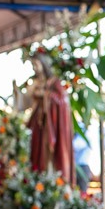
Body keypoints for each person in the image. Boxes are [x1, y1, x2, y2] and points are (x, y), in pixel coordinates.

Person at [27, 52, 74, 184]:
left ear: (43, 64)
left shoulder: (54, 82)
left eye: (36, 64)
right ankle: (40, 183)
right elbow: (28, 103)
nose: (34, 68)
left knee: (49, 156)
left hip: (51, 126)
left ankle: (52, 182)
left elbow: (62, 101)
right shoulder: (36, 82)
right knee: (37, 155)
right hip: (39, 125)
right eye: (32, 65)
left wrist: (46, 95)